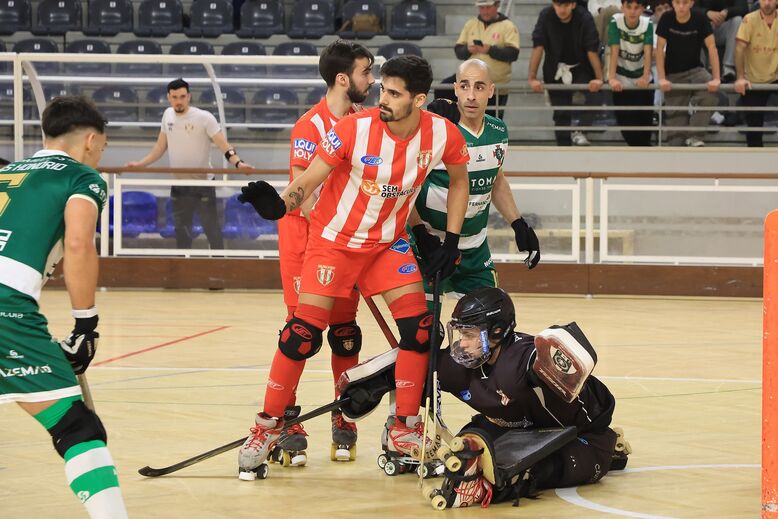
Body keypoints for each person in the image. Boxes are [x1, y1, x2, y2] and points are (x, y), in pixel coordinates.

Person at [235, 55, 471, 480]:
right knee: (301, 334)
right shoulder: (352, 129)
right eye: (382, 89)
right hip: (334, 242)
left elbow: (459, 181)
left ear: (419, 99)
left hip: (386, 244)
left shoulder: (442, 135)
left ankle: (404, 427)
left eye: (395, 94)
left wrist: (449, 239)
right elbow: (307, 182)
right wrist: (278, 205)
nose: (384, 98)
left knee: (419, 329)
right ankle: (267, 426)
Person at [0, 96, 128, 518]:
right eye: (103, 149)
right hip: (6, 308)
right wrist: (85, 324)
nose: (100, 157)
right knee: (78, 428)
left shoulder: (8, 172)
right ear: (90, 140)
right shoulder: (82, 178)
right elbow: (77, 244)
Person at [276, 40, 376, 464]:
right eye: (366, 73)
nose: (371, 81)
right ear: (342, 78)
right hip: (306, 243)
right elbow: (303, 193)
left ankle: (343, 414)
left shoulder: (364, 122)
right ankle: (286, 420)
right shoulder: (309, 126)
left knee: (345, 332)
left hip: (343, 243)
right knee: (300, 335)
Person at [435, 287, 625, 507]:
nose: (462, 343)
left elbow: (546, 355)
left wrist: (548, 365)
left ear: (496, 331)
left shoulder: (521, 357)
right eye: (461, 334)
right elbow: (407, 369)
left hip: (582, 434)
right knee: (466, 449)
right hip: (517, 429)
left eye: (469, 334)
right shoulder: (456, 364)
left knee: (522, 476)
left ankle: (612, 450)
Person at [412, 59, 541, 307]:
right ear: (455, 89)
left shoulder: (499, 131)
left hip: (475, 249)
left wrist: (518, 224)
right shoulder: (437, 130)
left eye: (479, 87)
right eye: (465, 86)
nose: (471, 95)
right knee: (425, 335)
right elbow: (407, 187)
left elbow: (497, 181)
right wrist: (420, 234)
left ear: (492, 91)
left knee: (487, 328)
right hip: (429, 246)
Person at [127, 78, 253, 249]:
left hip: (203, 184)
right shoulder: (167, 115)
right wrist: (141, 164)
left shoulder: (204, 118)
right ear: (169, 97)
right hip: (180, 185)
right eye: (175, 97)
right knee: (181, 231)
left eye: (182, 96)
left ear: (189, 96)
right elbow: (160, 146)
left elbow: (224, 145)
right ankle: (182, 270)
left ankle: (220, 266)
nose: (179, 101)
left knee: (212, 230)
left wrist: (239, 163)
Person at [528, 0, 604, 146]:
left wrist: (599, 78)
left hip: (581, 67)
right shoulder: (546, 16)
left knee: (596, 96)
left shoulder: (584, 17)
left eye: (565, 5)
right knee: (561, 113)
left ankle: (580, 130)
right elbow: (538, 46)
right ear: (553, 4)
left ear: (573, 5)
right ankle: (563, 148)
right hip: (554, 69)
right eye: (558, 5)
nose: (562, 9)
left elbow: (591, 49)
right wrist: (532, 77)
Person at [655, 0, 721, 147]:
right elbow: (659, 49)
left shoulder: (700, 18)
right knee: (675, 140)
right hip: (673, 74)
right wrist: (661, 78)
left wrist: (716, 78)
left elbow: (712, 47)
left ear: (691, 3)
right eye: (678, 3)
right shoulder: (666, 18)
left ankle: (695, 135)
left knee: (711, 95)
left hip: (696, 71)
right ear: (673, 3)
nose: (681, 6)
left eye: (685, 3)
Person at [454, 0, 520, 118]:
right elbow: (458, 51)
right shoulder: (471, 24)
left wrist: (490, 50)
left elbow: (513, 54)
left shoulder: (508, 26)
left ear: (497, 6)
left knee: (493, 124)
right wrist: (468, 50)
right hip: (471, 85)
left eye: (488, 7)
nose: (485, 11)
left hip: (496, 85)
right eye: (482, 8)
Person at [606, 0, 656, 146]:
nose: (632, 11)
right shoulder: (616, 20)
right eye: (629, 7)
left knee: (645, 129)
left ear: (642, 9)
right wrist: (612, 78)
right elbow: (614, 50)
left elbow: (647, 51)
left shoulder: (648, 24)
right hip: (622, 81)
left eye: (636, 8)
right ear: (622, 8)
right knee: (628, 129)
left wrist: (646, 77)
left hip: (642, 80)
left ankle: (645, 159)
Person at [734, 0, 778, 147]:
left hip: (776, 76)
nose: (767, 3)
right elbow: (739, 49)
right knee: (754, 127)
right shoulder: (749, 19)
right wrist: (740, 78)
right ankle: (754, 159)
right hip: (753, 79)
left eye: (771, 0)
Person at [695, 0, 748, 81]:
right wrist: (707, 13)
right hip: (705, 27)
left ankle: (728, 68)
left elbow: (743, 8)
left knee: (738, 20)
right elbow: (691, 7)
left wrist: (726, 12)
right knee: (694, 22)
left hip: (726, 27)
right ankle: (699, 68)